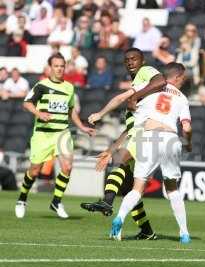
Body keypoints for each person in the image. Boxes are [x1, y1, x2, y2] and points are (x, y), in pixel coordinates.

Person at [81, 48, 167, 240]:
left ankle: (107, 202)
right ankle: (147, 231)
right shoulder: (138, 85)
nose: (130, 62)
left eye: (134, 59)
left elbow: (161, 80)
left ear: (142, 60)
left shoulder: (146, 73)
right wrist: (110, 150)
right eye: (127, 60)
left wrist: (100, 114)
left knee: (120, 161)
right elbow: (129, 129)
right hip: (139, 134)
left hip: (148, 133)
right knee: (129, 188)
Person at [109, 62, 192, 243]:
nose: (183, 82)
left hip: (149, 137)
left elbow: (133, 107)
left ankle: (120, 218)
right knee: (172, 189)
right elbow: (186, 126)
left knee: (137, 188)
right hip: (170, 138)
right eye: (183, 78)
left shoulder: (150, 92)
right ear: (176, 77)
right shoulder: (182, 98)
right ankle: (184, 233)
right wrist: (189, 143)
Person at [15, 53, 95, 219]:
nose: (59, 68)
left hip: (62, 133)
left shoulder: (69, 87)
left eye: (62, 66)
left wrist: (81, 126)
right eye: (56, 66)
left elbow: (71, 109)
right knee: (35, 170)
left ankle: (56, 201)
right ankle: (22, 199)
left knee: (67, 167)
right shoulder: (41, 85)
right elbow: (26, 103)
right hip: (43, 135)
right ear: (50, 68)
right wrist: (39, 113)